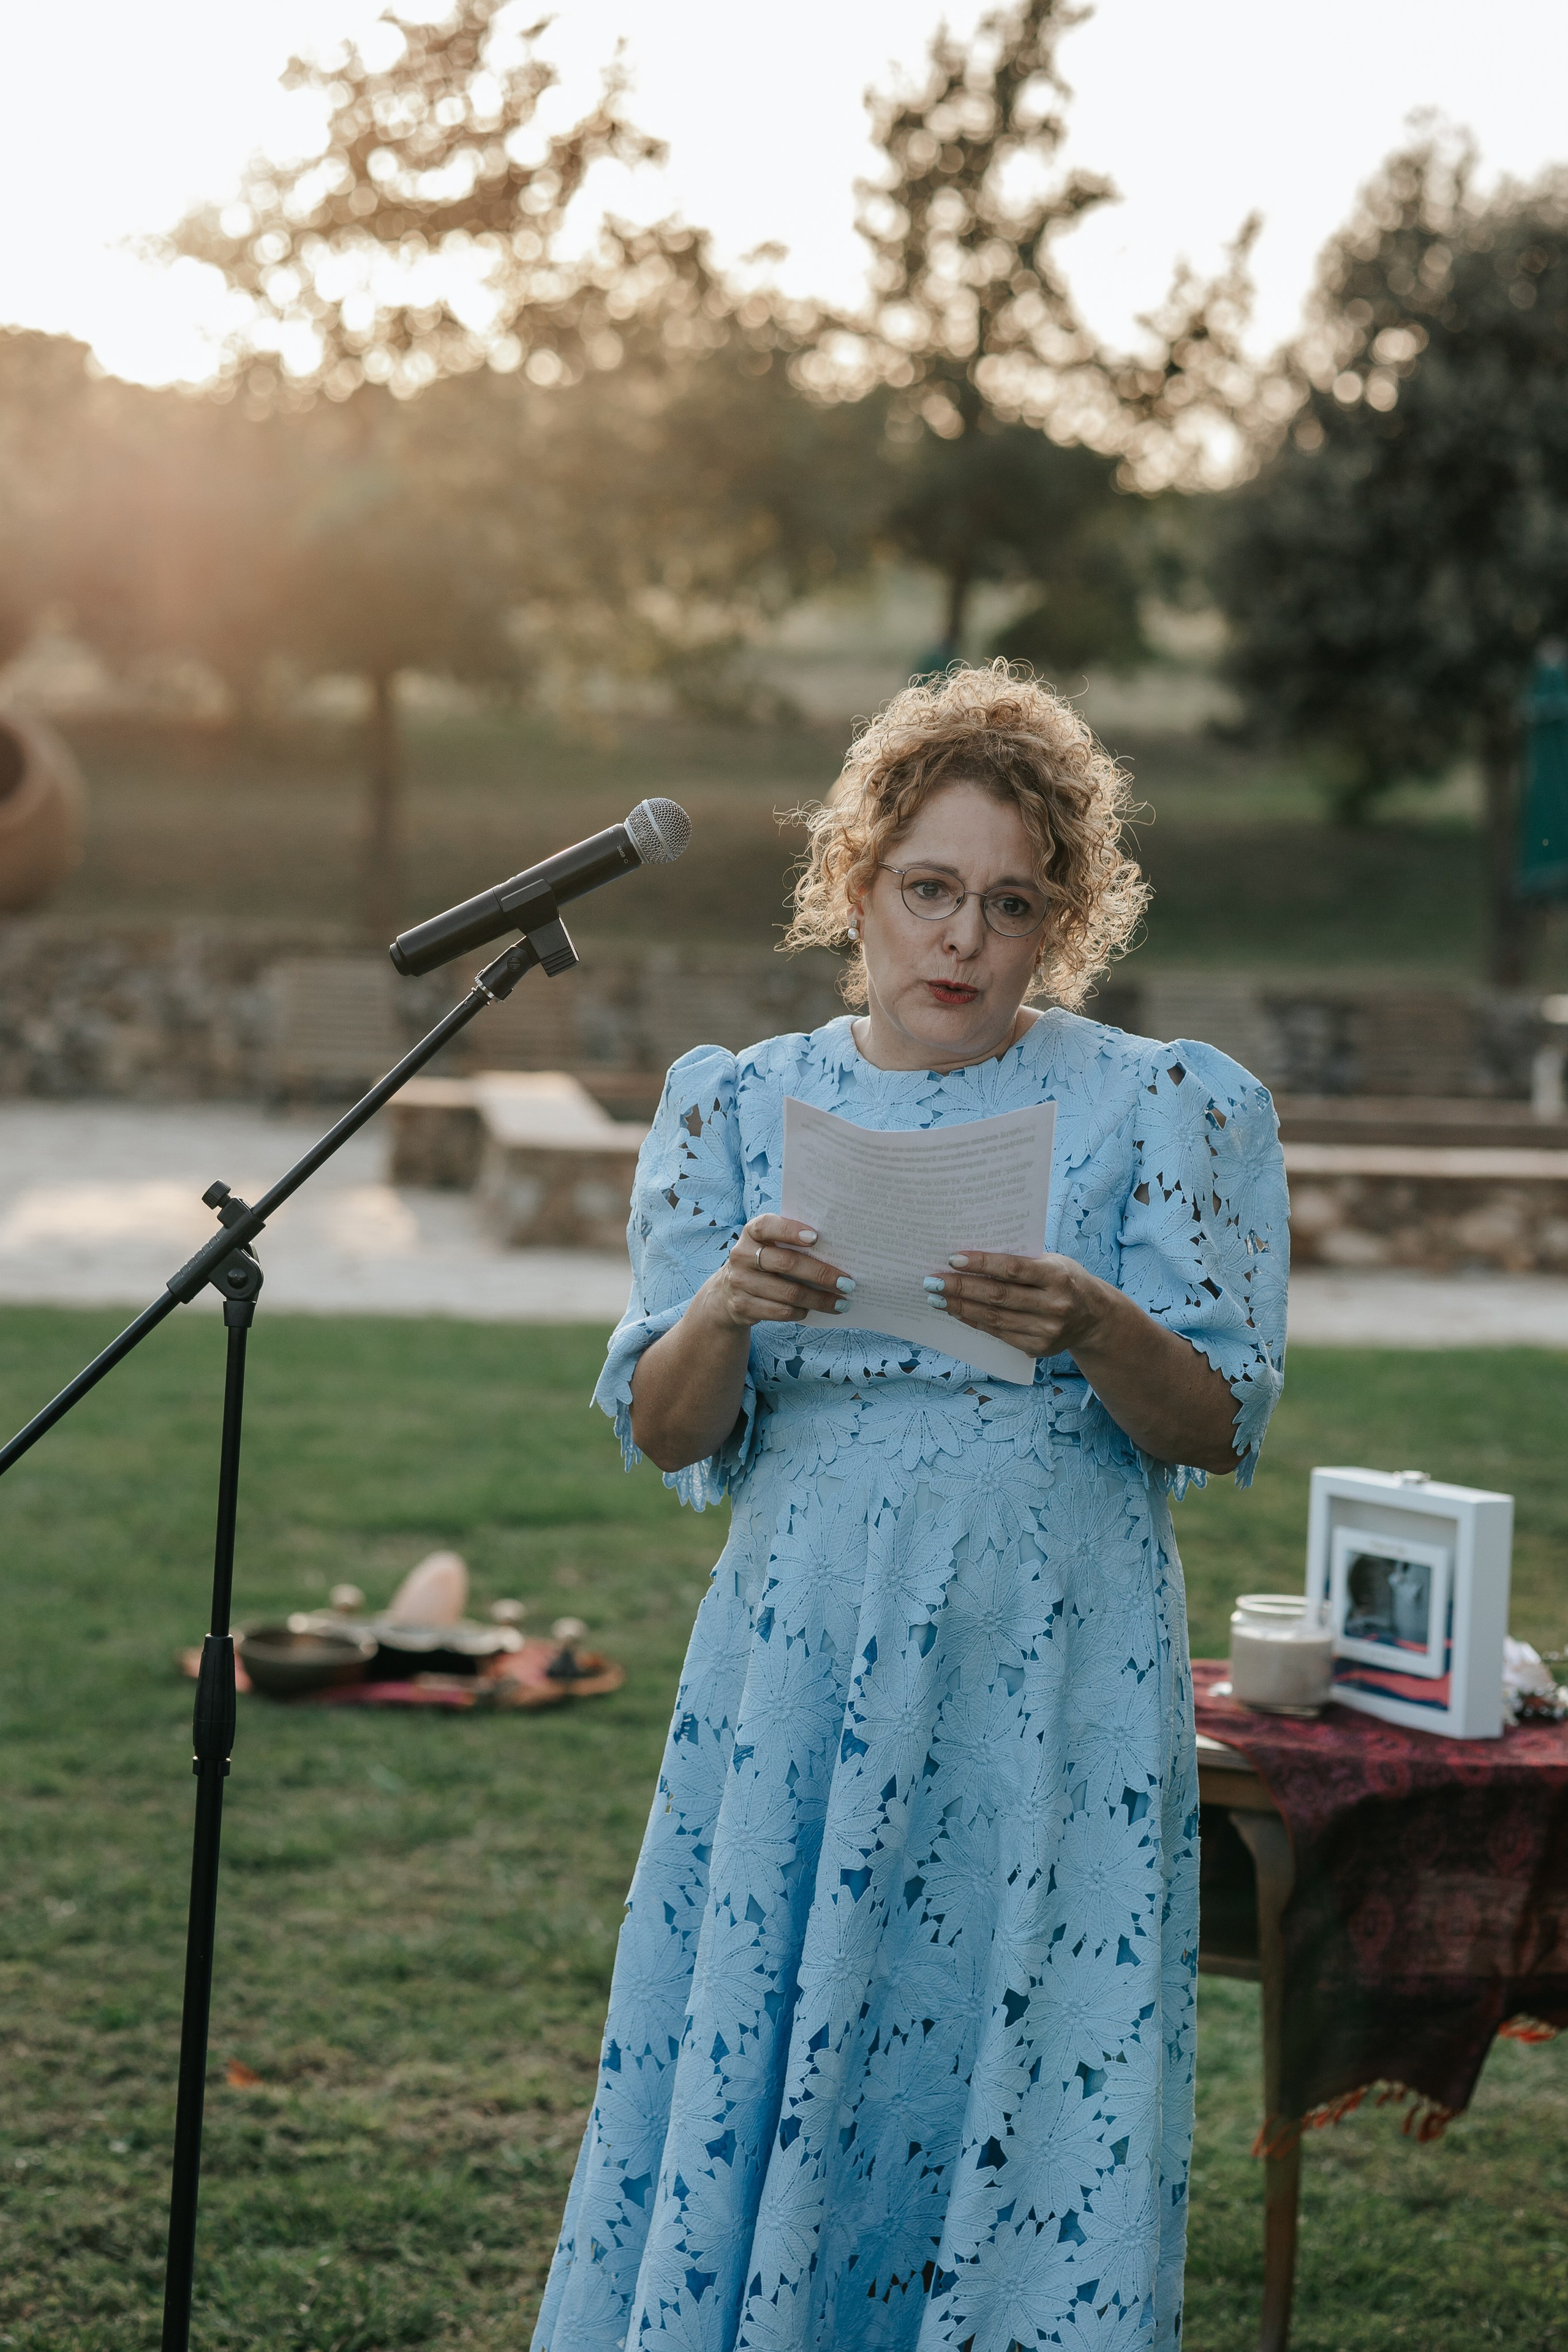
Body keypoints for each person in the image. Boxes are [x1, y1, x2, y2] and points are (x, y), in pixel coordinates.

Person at [533, 663, 1289, 2352]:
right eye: (928, 890)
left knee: (1010, 2022)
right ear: (855, 885)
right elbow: (665, 1435)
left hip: (1052, 1651)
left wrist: (1093, 1320)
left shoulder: (1164, 1106)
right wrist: (726, 1305)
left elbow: (1223, 1422)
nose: (960, 939)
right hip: (806, 1637)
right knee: (784, 2019)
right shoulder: (736, 1104)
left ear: (1062, 924)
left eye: (1010, 906)